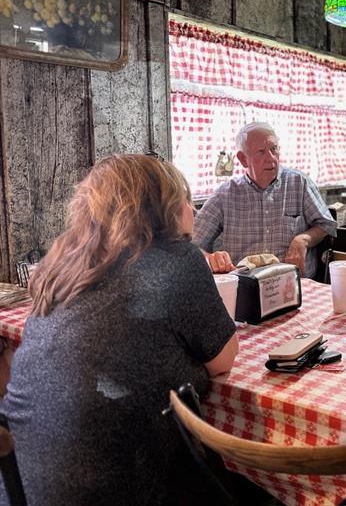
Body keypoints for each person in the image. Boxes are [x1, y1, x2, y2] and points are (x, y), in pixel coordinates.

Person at [1, 154, 239, 505]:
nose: (192, 209)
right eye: (186, 199)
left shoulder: (62, 263)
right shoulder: (178, 259)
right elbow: (223, 359)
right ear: (165, 207)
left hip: (22, 487)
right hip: (118, 490)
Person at [193, 121, 337, 278]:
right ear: (243, 159)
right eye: (261, 152)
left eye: (274, 149)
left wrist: (303, 239)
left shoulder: (298, 183)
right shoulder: (225, 195)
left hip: (294, 283)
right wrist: (212, 259)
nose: (271, 158)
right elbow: (192, 246)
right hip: (245, 285)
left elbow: (327, 224)